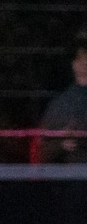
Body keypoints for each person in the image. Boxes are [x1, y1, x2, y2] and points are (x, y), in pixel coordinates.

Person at [39, 28, 87, 163]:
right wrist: (61, 144)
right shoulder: (60, 104)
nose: (85, 63)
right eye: (80, 58)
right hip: (70, 177)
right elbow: (41, 152)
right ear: (73, 64)